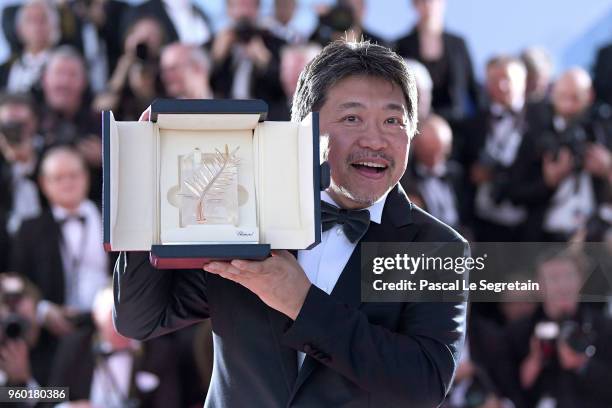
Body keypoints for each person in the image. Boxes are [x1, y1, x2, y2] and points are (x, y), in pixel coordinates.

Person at [114, 39, 468, 407]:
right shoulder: (243, 214)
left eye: (393, 121)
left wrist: (303, 304)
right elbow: (140, 320)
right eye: (352, 118)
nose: (375, 140)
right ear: (304, 129)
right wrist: (149, 191)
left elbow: (423, 385)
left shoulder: (437, 247)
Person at [11, 147, 110, 339]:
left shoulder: (113, 217)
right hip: (55, 334)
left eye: (73, 175)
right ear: (43, 183)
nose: (67, 183)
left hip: (113, 326)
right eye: (58, 178)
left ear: (86, 176)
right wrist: (43, 310)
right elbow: (19, 280)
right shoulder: (29, 230)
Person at [503, 251, 612, 408]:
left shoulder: (604, 327)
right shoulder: (518, 332)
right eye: (554, 279)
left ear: (581, 281)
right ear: (539, 286)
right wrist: (535, 361)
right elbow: (505, 392)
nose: (562, 286)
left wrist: (583, 365)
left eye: (569, 277)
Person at [49, 287, 181, 408]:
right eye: (112, 317)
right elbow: (52, 395)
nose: (121, 327)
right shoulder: (75, 346)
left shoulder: (159, 351)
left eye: (129, 317)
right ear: (96, 318)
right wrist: (69, 407)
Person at [453, 56, 529, 242]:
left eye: (507, 79)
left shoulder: (540, 119)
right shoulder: (472, 124)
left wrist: (496, 174)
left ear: (523, 82)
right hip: (483, 223)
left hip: (529, 221)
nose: (502, 86)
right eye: (495, 80)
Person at [395, 0, 480, 121]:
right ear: (414, 5)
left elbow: (472, 87)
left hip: (456, 124)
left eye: (432, 1)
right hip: (415, 122)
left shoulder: (458, 44)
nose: (428, 6)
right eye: (422, 2)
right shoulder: (400, 45)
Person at [210, 0, 286, 118]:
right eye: (239, 5)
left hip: (265, 119)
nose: (244, 12)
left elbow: (285, 88)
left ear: (258, 9)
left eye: (250, 6)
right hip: (223, 117)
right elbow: (204, 86)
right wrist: (216, 58)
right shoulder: (216, 42)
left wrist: (266, 62)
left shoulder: (275, 44)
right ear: (228, 10)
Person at [401, 114, 465, 230]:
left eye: (439, 153)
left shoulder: (457, 173)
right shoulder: (405, 181)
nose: (434, 161)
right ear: (416, 147)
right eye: (428, 154)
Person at [0, 0, 60, 93]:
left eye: (43, 20)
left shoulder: (64, 67)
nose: (36, 27)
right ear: (19, 29)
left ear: (54, 26)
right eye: (30, 20)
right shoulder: (6, 69)